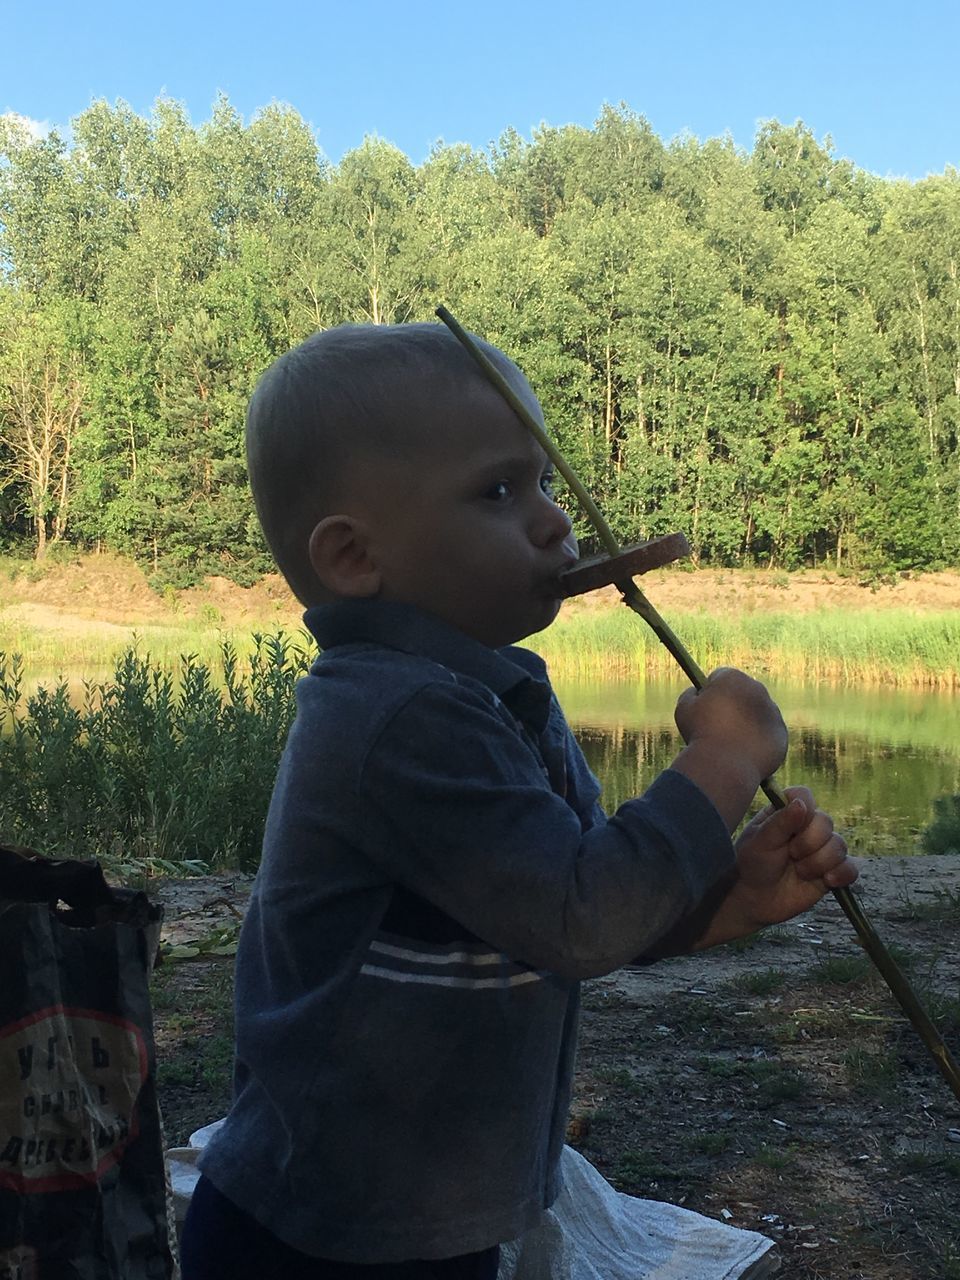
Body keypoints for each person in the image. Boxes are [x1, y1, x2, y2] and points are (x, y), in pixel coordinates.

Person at [181, 323, 856, 1280]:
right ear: (352, 559)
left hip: (421, 1221)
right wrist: (728, 757)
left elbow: (567, 921)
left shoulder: (494, 692)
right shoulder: (395, 715)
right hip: (324, 1234)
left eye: (543, 481)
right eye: (499, 492)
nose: (551, 520)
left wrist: (731, 897)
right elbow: (584, 916)